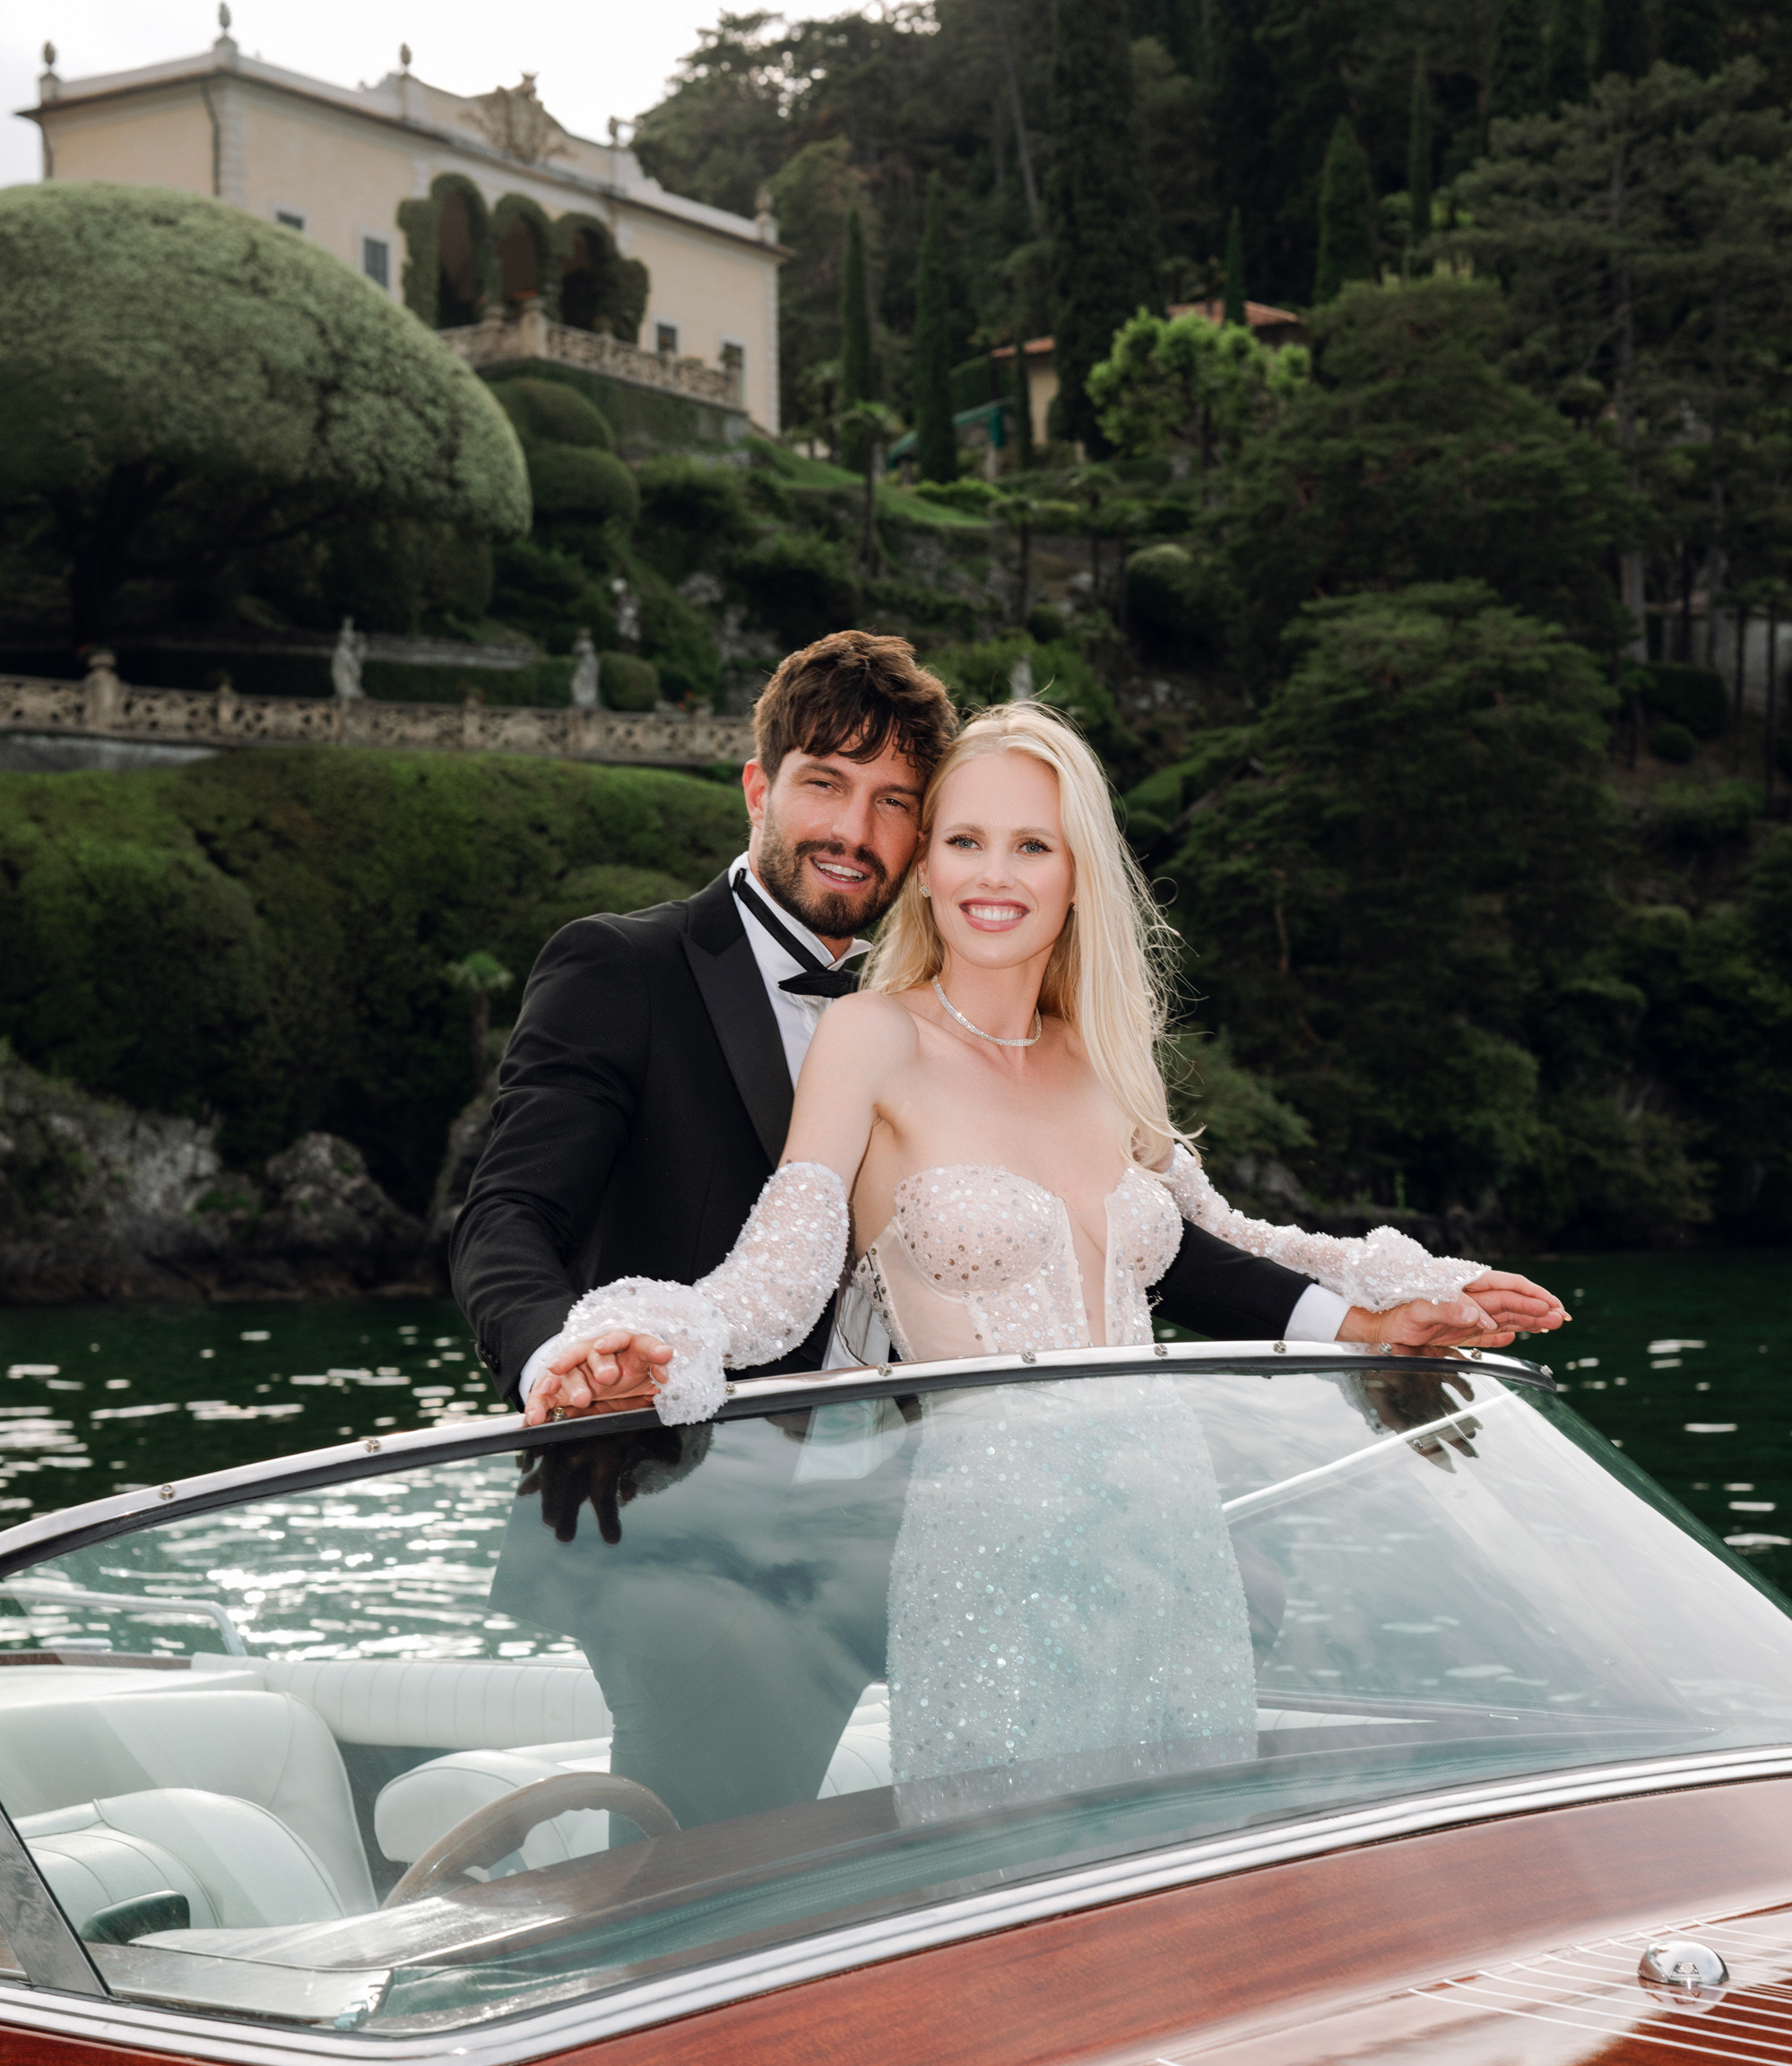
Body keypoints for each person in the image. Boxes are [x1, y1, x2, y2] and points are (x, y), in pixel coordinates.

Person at [526, 702, 1566, 1820]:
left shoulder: (1107, 1058)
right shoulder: (871, 1036)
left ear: (1078, 874)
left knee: (1180, 1862)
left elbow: (1222, 1244)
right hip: (989, 1555)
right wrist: (650, 1338)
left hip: (1170, 1538)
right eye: (964, 840)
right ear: (925, 867)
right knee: (1009, 1873)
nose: (994, 874)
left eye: (1032, 844)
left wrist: (1384, 1307)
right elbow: (777, 1279)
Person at [454, 629, 1460, 1421]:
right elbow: (509, 1216)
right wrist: (567, 1360)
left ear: (919, 839)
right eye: (824, 784)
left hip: (887, 1501)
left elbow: (1162, 1251)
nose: (854, 830)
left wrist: (1363, 1321)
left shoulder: (958, 1021)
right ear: (758, 788)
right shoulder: (620, 968)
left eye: (893, 801)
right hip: (665, 1494)